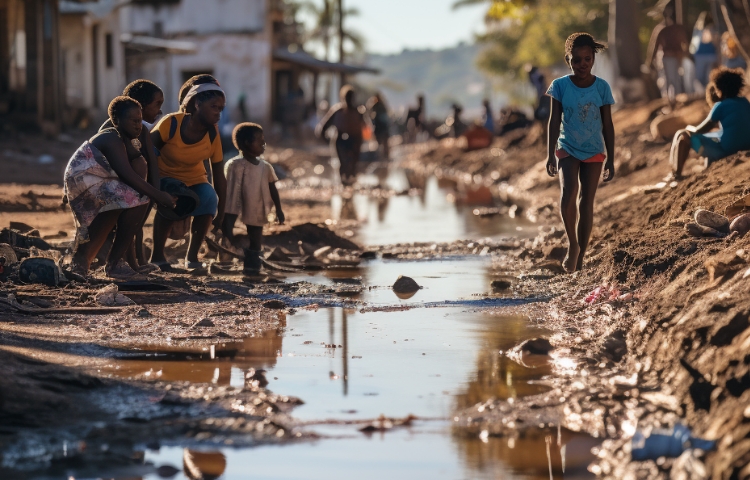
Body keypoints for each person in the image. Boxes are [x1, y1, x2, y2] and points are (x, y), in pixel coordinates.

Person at [65, 96, 176, 279]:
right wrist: (158, 196)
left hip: (98, 183)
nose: (138, 125)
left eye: (140, 121)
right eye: (133, 121)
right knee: (137, 198)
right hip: (84, 183)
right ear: (117, 121)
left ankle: (111, 262)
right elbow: (128, 176)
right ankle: (114, 263)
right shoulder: (111, 139)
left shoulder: (127, 141)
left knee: (131, 199)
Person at [546, 33, 616, 273]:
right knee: (568, 191)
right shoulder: (560, 86)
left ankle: (582, 256)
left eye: (587, 59)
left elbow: (608, 125)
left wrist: (612, 159)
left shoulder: (602, 87)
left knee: (587, 201)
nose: (582, 64)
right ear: (569, 61)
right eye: (577, 60)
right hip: (567, 147)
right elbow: (554, 122)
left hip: (594, 150)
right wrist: (549, 154)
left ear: (593, 58)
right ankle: (573, 245)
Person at [149, 82, 227, 270]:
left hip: (195, 179)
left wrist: (221, 210)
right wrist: (154, 188)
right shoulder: (171, 123)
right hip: (164, 177)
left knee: (208, 197)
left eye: (221, 108)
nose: (218, 113)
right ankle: (157, 256)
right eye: (214, 107)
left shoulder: (212, 133)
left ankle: (192, 257)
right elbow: (147, 153)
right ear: (197, 104)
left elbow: (217, 171)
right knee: (174, 194)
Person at [99, 79, 164, 272]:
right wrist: (155, 194)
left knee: (138, 219)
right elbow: (124, 170)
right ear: (140, 107)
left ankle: (137, 262)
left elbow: (152, 163)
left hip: (134, 186)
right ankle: (122, 262)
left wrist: (157, 194)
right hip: (111, 186)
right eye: (157, 105)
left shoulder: (141, 129)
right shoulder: (112, 130)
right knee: (129, 221)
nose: (160, 111)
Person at [222, 123, 284, 275]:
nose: (264, 144)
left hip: (256, 208)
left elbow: (272, 188)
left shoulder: (265, 167)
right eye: (259, 140)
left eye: (263, 140)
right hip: (234, 205)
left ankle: (252, 267)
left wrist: (279, 209)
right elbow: (230, 191)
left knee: (256, 238)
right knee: (227, 231)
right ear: (246, 143)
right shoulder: (234, 165)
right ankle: (225, 257)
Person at [670, 67, 750, 178]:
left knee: (683, 135)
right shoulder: (745, 101)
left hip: (728, 150)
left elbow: (700, 130)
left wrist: (688, 128)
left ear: (720, 90)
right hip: (747, 145)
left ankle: (676, 174)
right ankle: (705, 168)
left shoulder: (720, 106)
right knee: (716, 136)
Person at [316, 85, 366, 186]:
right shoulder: (337, 111)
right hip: (341, 141)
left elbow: (364, 129)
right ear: (344, 98)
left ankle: (349, 186)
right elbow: (322, 128)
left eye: (351, 98)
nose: (349, 100)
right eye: (348, 98)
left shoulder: (358, 112)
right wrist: (327, 140)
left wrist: (360, 142)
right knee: (343, 165)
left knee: (352, 166)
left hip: (354, 140)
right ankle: (343, 186)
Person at [645, 3, 690, 98]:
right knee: (673, 79)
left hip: (670, 57)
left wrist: (650, 61)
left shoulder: (663, 29)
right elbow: (685, 43)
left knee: (670, 79)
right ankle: (672, 99)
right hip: (673, 57)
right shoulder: (671, 29)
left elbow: (655, 47)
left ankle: (672, 99)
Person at [691, 12, 718, 88]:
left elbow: (712, 40)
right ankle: (704, 93)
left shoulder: (712, 28)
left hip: (709, 54)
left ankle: (708, 92)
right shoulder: (698, 29)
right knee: (700, 77)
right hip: (701, 55)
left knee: (708, 77)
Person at [368, 93, 390, 160]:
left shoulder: (381, 105)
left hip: (382, 125)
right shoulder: (375, 105)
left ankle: (385, 154)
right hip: (378, 125)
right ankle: (381, 155)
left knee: (384, 141)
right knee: (379, 140)